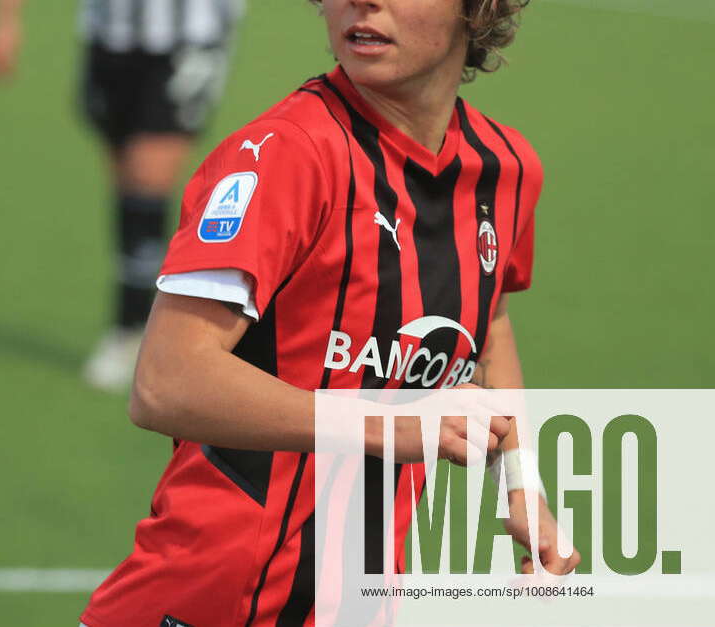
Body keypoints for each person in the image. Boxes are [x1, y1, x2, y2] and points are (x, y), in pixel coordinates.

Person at [79, 0, 581, 625]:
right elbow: (163, 384)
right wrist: (387, 425)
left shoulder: (506, 171)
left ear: (478, 10)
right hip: (207, 603)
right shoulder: (286, 155)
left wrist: (523, 481)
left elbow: (491, 321)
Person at [0, 0, 244, 391]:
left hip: (188, 37)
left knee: (148, 178)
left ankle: (137, 327)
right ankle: (143, 319)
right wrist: (6, 21)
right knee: (126, 182)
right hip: (108, 34)